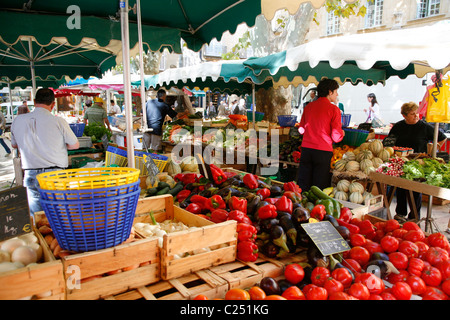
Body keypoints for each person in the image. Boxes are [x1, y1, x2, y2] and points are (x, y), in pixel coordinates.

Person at [10, 88, 79, 217]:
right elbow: (74, 145)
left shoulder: (17, 120)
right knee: (58, 214)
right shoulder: (58, 121)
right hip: (55, 174)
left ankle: (40, 237)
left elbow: (14, 145)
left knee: (38, 217)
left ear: (34, 101)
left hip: (31, 172)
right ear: (53, 104)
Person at [387, 101, 447, 222]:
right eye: (412, 114)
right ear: (404, 115)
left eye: (417, 113)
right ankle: (400, 213)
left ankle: (414, 216)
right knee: (401, 188)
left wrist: (435, 147)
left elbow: (442, 137)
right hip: (401, 162)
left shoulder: (424, 127)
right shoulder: (398, 126)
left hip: (418, 164)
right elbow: (389, 142)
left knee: (415, 190)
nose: (416, 116)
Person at [297, 78, 344, 191]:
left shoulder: (308, 107)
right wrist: (342, 133)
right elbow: (336, 137)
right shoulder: (334, 109)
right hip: (323, 152)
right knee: (319, 188)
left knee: (303, 185)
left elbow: (301, 130)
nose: (337, 94)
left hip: (306, 150)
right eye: (336, 91)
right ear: (330, 92)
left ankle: (300, 207)